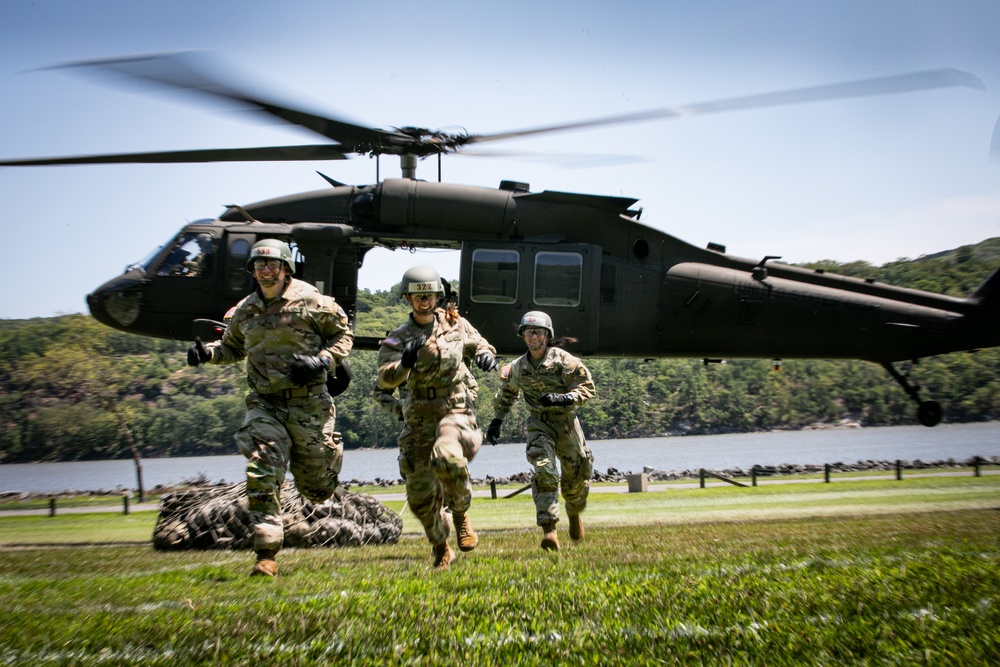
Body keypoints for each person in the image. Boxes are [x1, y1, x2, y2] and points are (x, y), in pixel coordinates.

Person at [187, 238, 353, 577]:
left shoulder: (311, 300)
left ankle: (330, 456)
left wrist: (321, 360)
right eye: (259, 265)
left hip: (309, 404)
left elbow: (344, 336)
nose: (265, 270)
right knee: (262, 469)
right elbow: (231, 348)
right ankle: (266, 554)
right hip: (265, 403)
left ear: (285, 267)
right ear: (252, 270)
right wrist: (207, 353)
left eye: (272, 264)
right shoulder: (246, 310)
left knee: (317, 489)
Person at [376, 266, 498, 570]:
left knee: (447, 455)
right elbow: (385, 380)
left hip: (454, 407)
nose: (424, 301)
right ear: (407, 298)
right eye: (417, 297)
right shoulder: (397, 338)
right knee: (419, 497)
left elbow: (480, 343)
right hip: (418, 415)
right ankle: (442, 546)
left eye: (429, 295)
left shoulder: (457, 325)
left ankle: (460, 513)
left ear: (437, 297)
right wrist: (405, 362)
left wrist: (486, 354)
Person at [486, 311, 596, 551]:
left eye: (538, 332)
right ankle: (550, 530)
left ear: (547, 336)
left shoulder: (564, 361)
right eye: (529, 332)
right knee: (544, 470)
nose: (533, 337)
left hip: (566, 423)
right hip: (539, 425)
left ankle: (574, 511)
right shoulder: (518, 367)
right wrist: (497, 421)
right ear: (523, 336)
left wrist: (564, 397)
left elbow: (588, 388)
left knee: (576, 478)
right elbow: (506, 395)